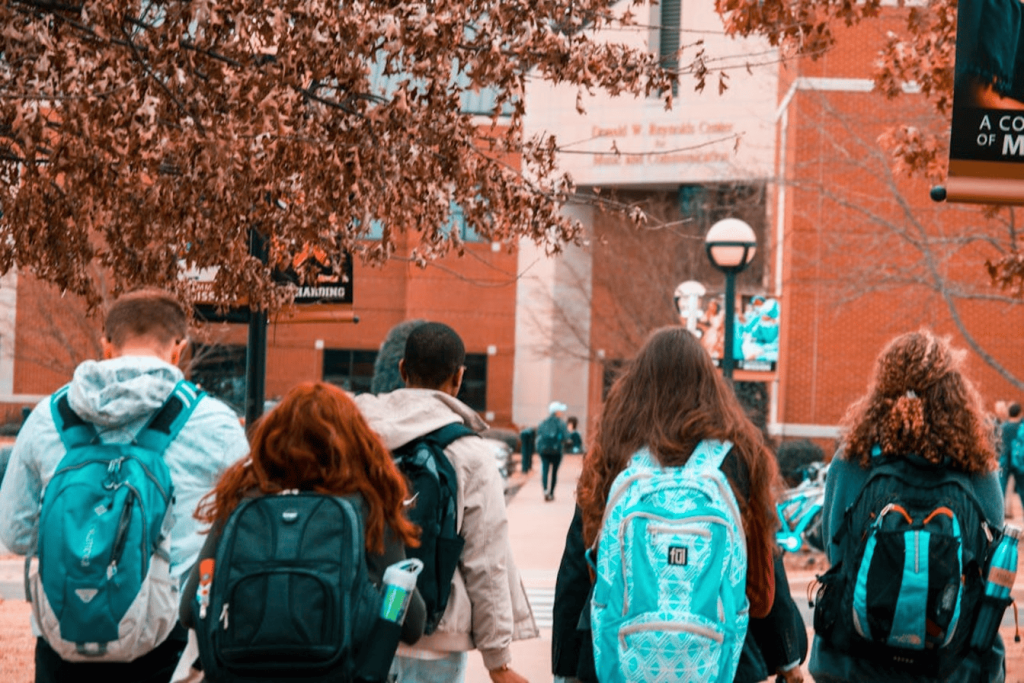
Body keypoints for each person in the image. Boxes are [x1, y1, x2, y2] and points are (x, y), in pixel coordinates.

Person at [0, 288, 249, 683]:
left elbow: (15, 533)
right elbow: (242, 534)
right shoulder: (215, 423)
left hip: (64, 637)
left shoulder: (49, 417)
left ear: (107, 345)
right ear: (178, 348)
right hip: (166, 643)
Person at [572, 326, 782, 680]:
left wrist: (565, 666)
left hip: (621, 658)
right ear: (709, 385)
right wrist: (786, 655)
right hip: (713, 660)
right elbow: (761, 570)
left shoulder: (614, 450)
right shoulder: (739, 455)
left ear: (637, 384)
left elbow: (577, 565)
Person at [179, 382, 426, 679]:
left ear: (272, 439)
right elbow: (412, 624)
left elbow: (191, 610)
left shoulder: (242, 502)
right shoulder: (367, 507)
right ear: (354, 442)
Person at [809, 330, 1005, 683]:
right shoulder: (978, 468)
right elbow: (990, 564)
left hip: (856, 661)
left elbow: (836, 552)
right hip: (952, 664)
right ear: (954, 393)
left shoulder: (852, 460)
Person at [354, 321, 538, 683]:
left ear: (403, 369)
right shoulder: (469, 452)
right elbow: (487, 561)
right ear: (458, 378)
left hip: (364, 627)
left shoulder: (359, 436)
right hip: (436, 638)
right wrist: (497, 661)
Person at [536, 401, 570, 501]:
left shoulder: (543, 422)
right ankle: (551, 493)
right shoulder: (561, 423)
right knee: (554, 473)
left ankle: (545, 490)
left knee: (545, 471)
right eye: (560, 411)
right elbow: (566, 437)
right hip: (557, 451)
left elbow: (539, 434)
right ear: (557, 412)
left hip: (544, 450)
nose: (561, 413)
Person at [999, 401, 1023, 516]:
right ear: (1019, 413)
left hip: (1004, 461)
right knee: (1022, 489)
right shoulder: (1021, 427)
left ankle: (999, 512)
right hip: (1019, 461)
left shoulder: (1003, 427)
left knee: (1001, 488)